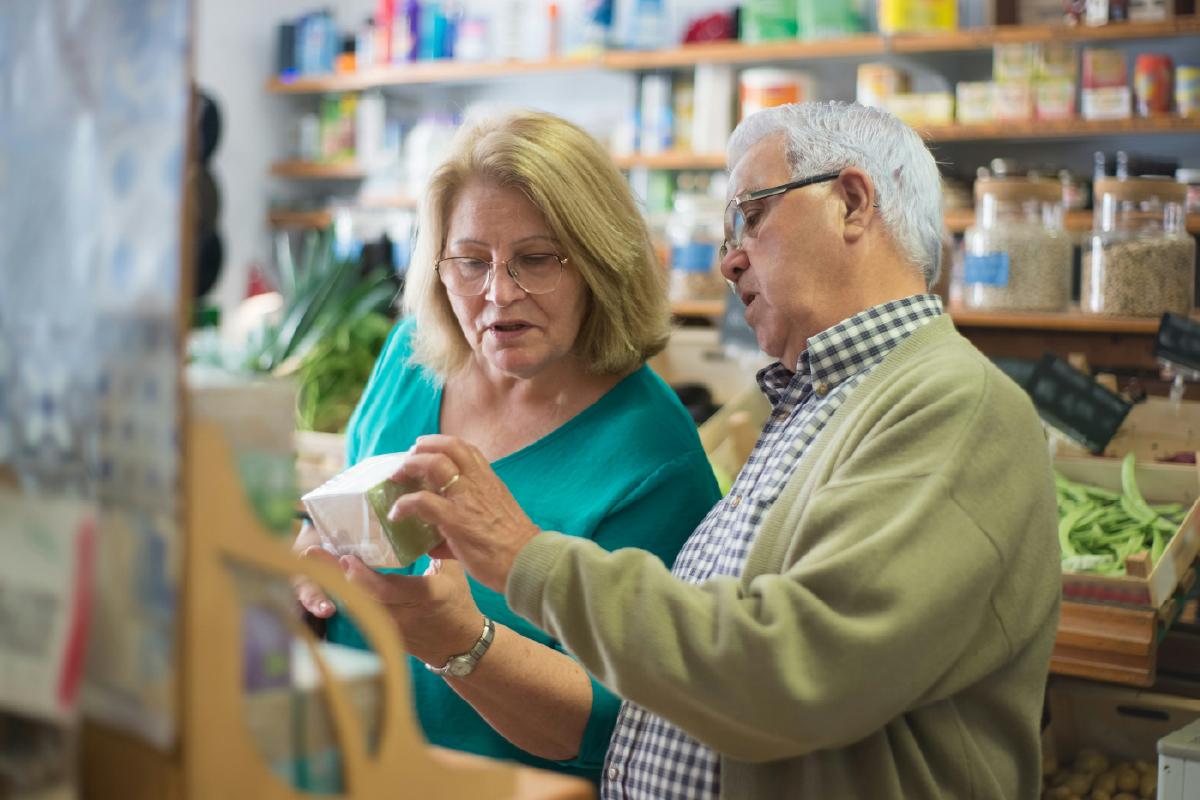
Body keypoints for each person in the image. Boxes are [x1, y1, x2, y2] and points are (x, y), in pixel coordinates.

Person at [384, 101, 1062, 799]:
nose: (729, 256)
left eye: (752, 215)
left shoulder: (952, 407)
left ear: (852, 203)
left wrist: (527, 558)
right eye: (470, 261)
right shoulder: (825, 401)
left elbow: (794, 672)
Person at [292, 110, 722, 784]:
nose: (498, 294)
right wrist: (309, 568)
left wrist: (461, 644)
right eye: (470, 261)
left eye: (537, 258)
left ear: (601, 262)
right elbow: (339, 524)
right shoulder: (411, 360)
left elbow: (627, 725)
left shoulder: (653, 456)